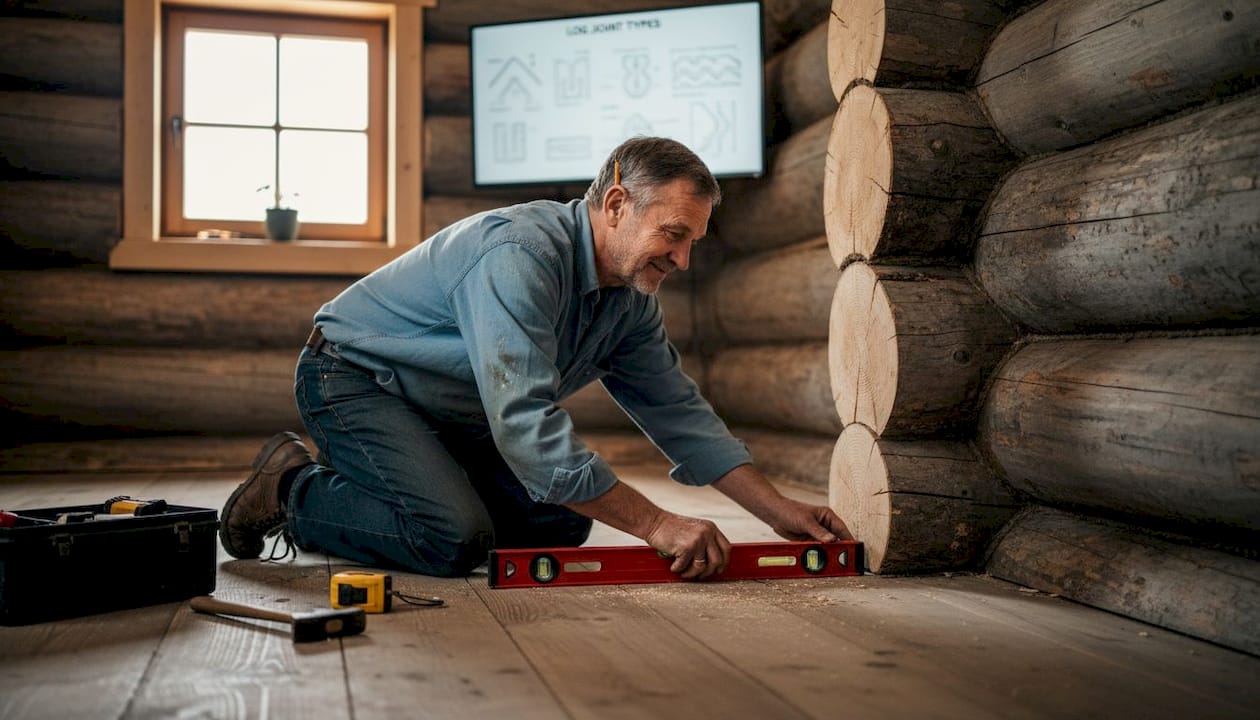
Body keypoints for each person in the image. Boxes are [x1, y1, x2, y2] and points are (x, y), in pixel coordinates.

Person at [219, 136, 852, 580]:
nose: (682, 260)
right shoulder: (520, 254)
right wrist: (657, 522)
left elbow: (678, 414)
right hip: (354, 381)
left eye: (694, 242)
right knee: (452, 539)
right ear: (614, 205)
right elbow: (524, 424)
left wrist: (779, 512)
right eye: (674, 235)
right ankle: (292, 487)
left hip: (454, 410)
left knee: (558, 522)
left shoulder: (628, 297)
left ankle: (410, 488)